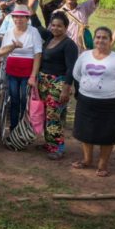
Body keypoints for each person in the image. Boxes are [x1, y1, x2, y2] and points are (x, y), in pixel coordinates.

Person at [71, 27, 115, 177]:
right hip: (85, 99)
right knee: (85, 130)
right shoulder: (85, 55)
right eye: (98, 37)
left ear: (111, 40)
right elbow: (76, 73)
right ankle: (87, 160)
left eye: (104, 37)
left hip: (108, 102)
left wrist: (113, 88)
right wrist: (88, 86)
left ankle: (103, 164)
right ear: (94, 39)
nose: (100, 40)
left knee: (106, 133)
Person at [35, 12, 78, 159]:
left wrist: (66, 89)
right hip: (43, 82)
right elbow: (37, 24)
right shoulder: (49, 39)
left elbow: (71, 68)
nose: (56, 28)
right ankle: (49, 143)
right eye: (53, 25)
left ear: (66, 27)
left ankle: (58, 148)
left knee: (54, 115)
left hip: (58, 83)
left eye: (59, 26)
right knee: (46, 114)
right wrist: (30, 5)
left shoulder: (69, 44)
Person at [0, 6, 43, 131]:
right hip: (11, 71)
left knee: (24, 99)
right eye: (16, 17)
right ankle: (13, 128)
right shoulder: (8, 32)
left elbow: (37, 54)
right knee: (14, 100)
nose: (19, 19)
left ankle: (23, 128)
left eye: (22, 17)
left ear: (27, 18)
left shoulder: (33, 31)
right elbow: (2, 52)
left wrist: (33, 76)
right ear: (13, 18)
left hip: (27, 72)